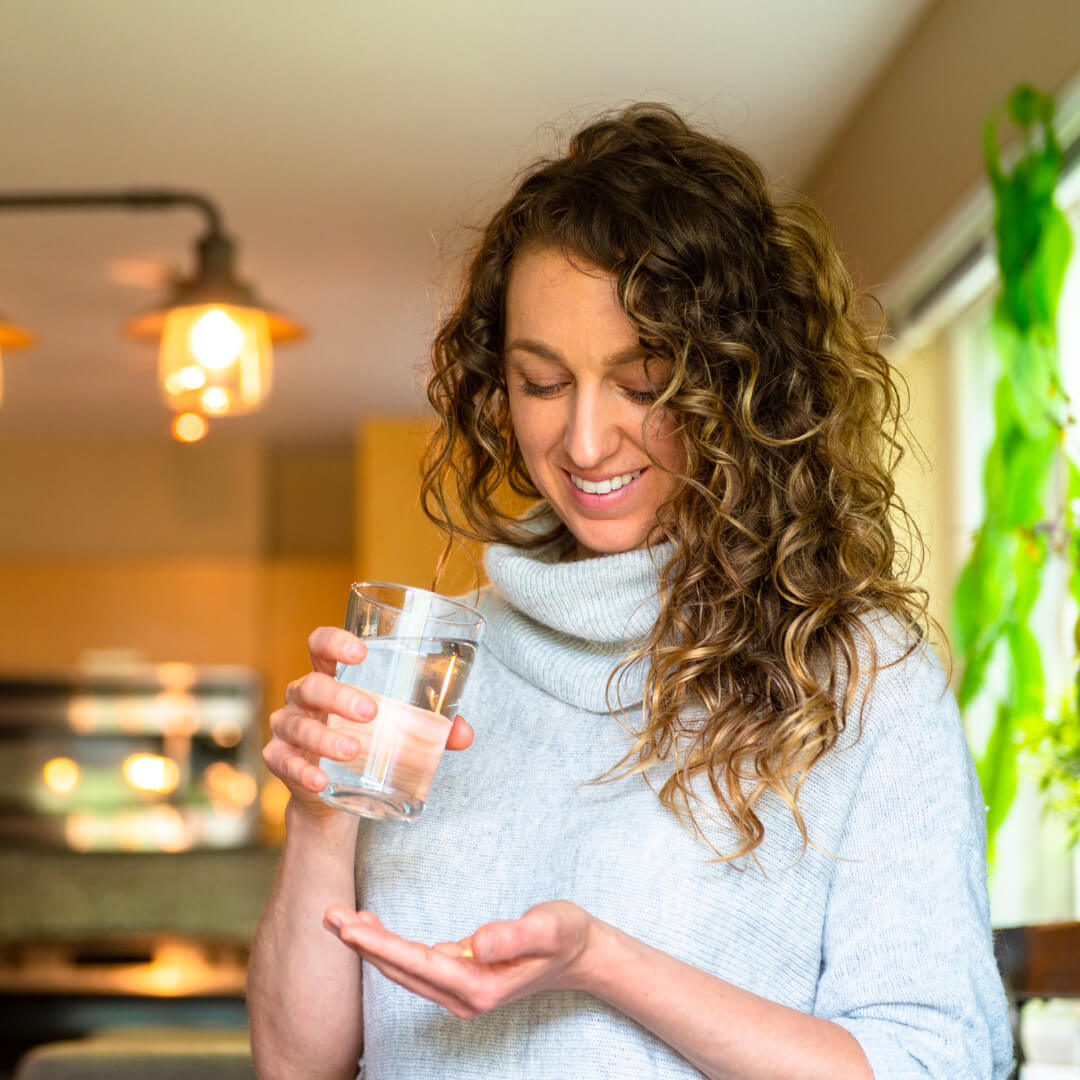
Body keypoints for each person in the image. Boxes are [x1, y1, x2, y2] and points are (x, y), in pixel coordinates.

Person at [247, 104, 1014, 1080]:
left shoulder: (862, 681)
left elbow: (936, 1063)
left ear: (739, 384)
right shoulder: (437, 678)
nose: (584, 441)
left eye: (643, 381)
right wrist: (318, 824)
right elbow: (294, 1066)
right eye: (541, 382)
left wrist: (603, 964)